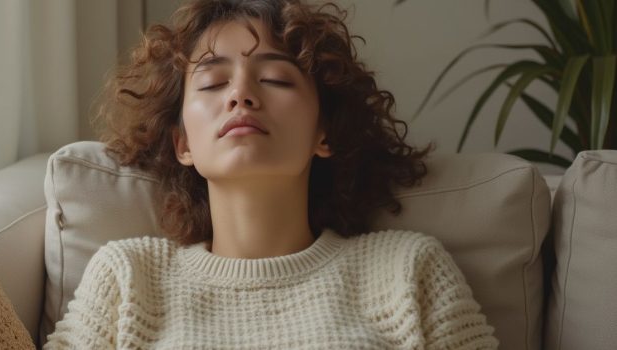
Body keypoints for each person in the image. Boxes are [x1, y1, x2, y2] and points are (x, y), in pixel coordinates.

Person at [44, 0, 499, 348]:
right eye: (213, 82)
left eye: (277, 79)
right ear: (183, 144)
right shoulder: (128, 277)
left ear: (325, 132)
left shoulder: (408, 270)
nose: (241, 94)